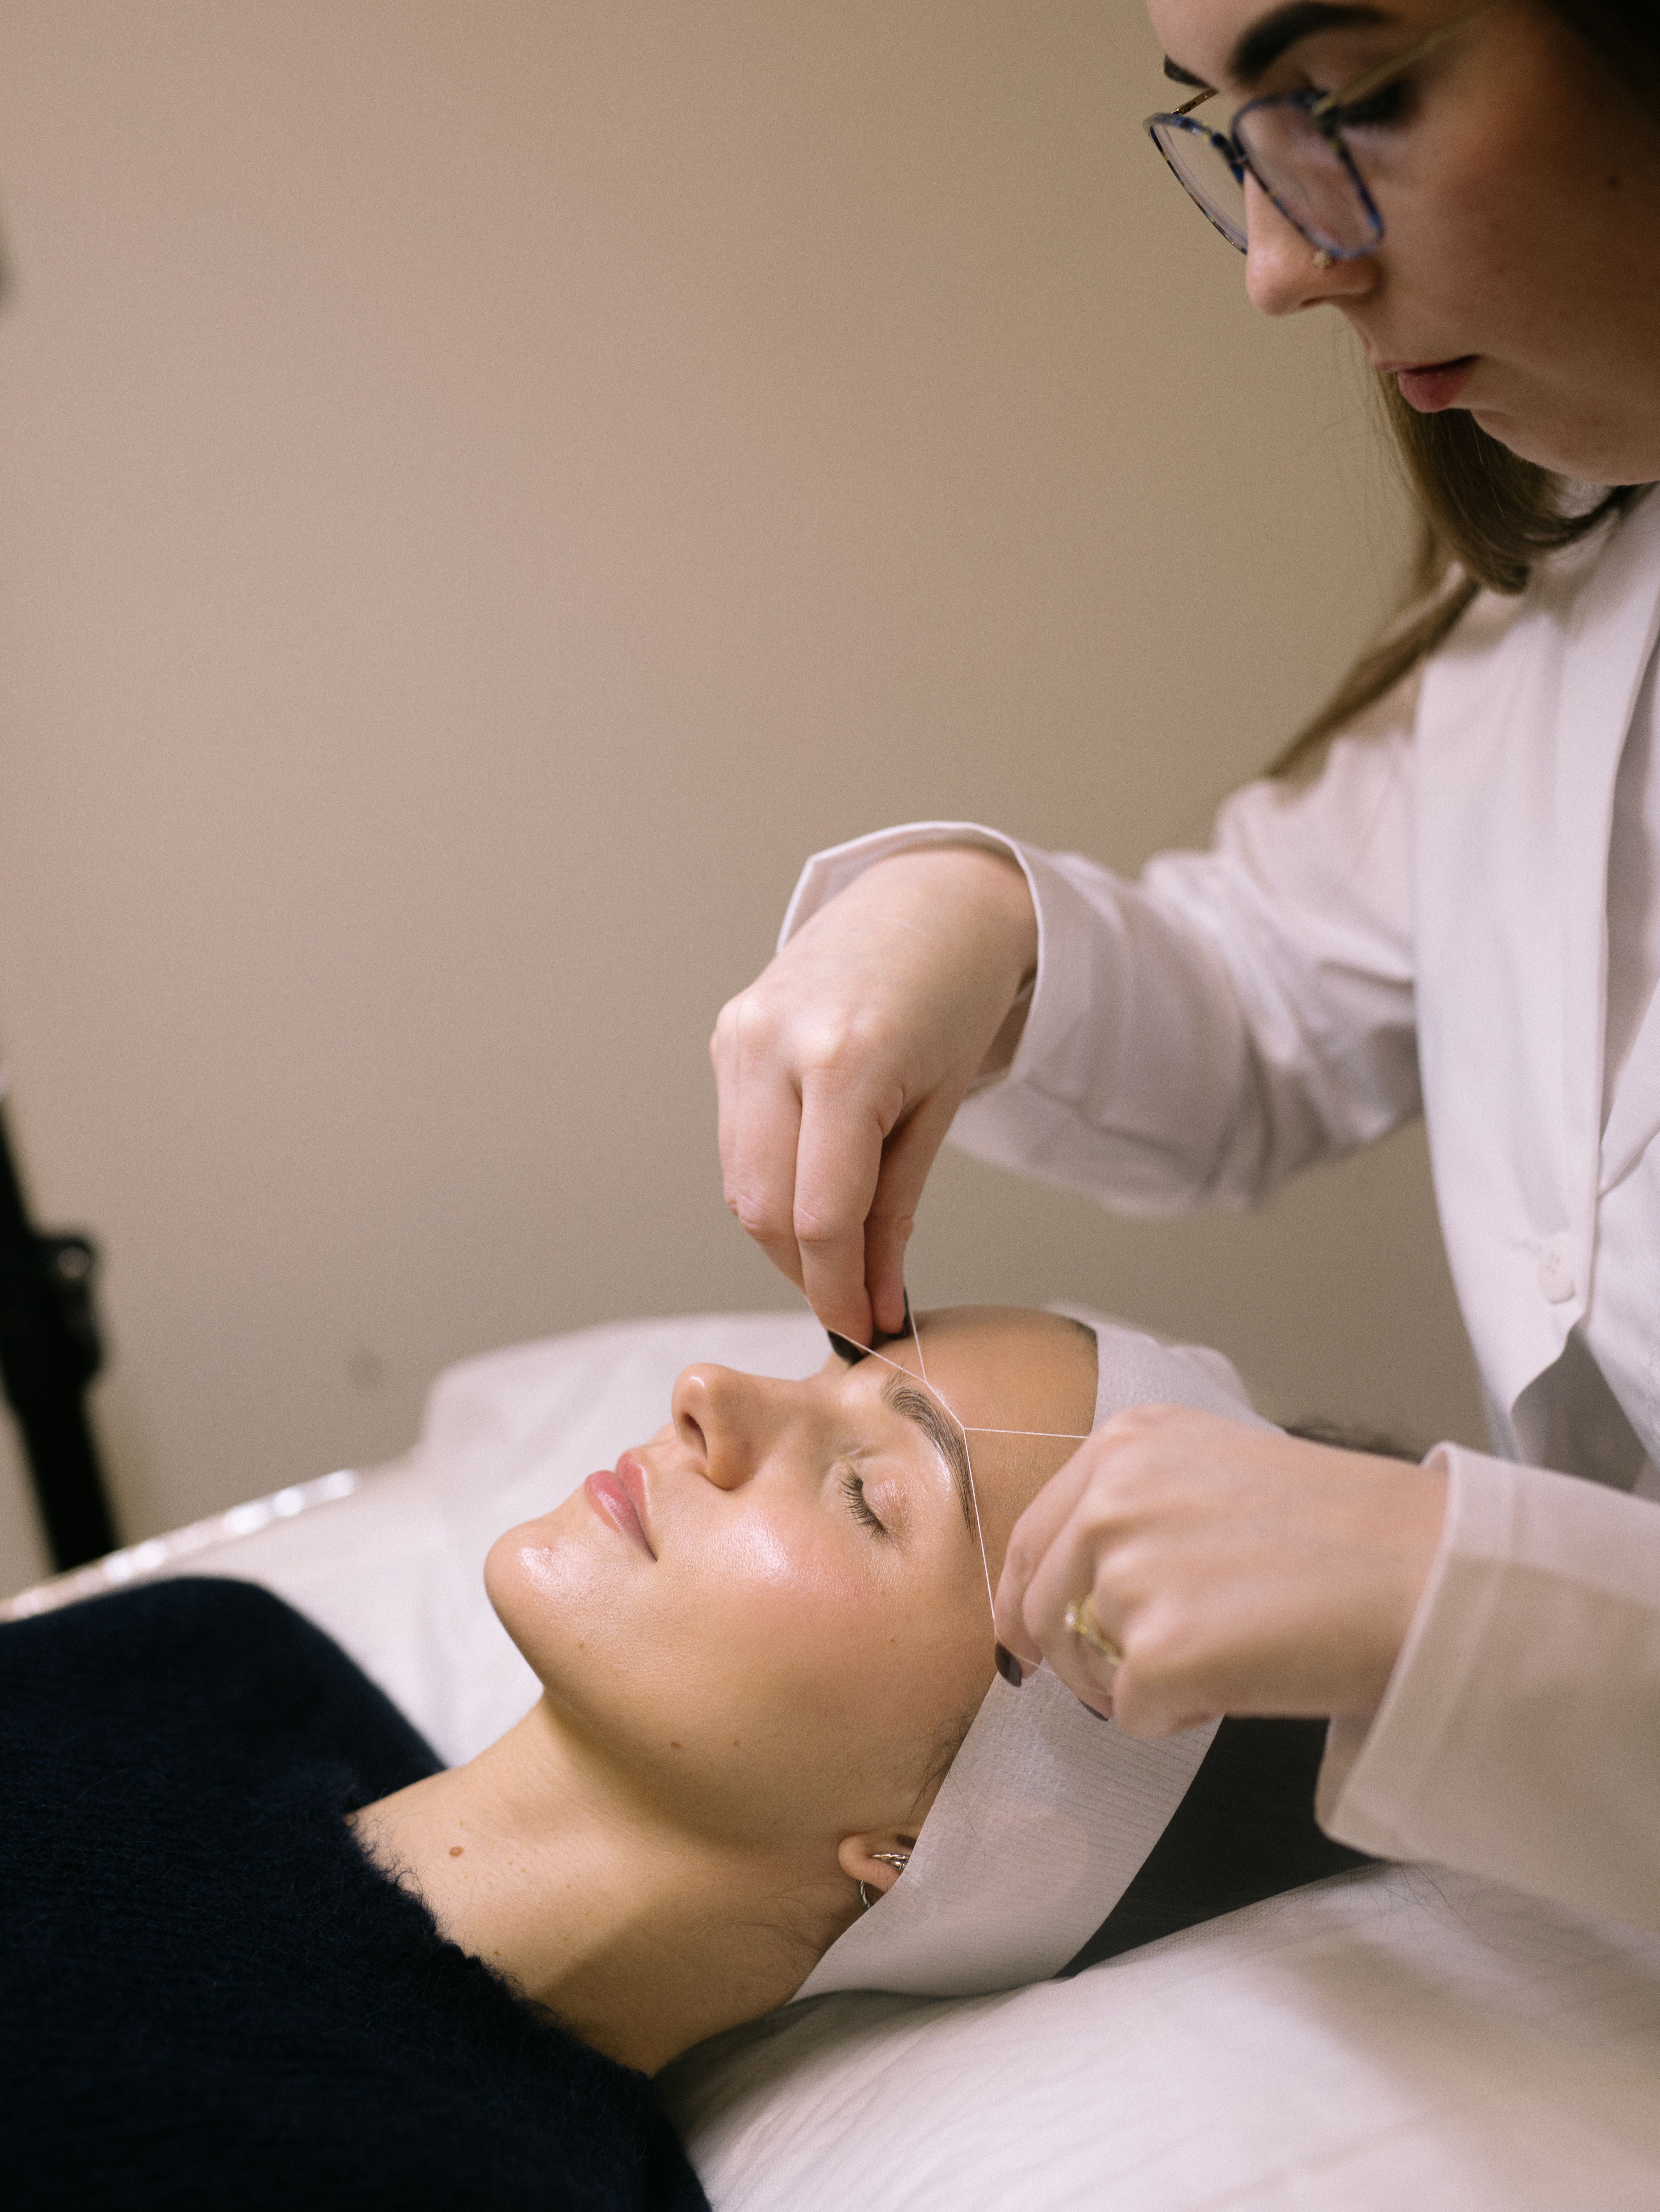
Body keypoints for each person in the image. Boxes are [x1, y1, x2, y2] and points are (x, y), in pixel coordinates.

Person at [711, 0, 1660, 1936]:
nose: (1276, 262)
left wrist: (1463, 1595)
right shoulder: (1565, 605)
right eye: (1231, 126)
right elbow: (1262, 996)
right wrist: (979, 920)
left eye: (1356, 98)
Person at [7, 1303, 1356, 2205]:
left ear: (931, 1839)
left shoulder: (478, 2176)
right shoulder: (218, 1660)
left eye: (868, 1493)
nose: (711, 1393)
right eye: (837, 1372)